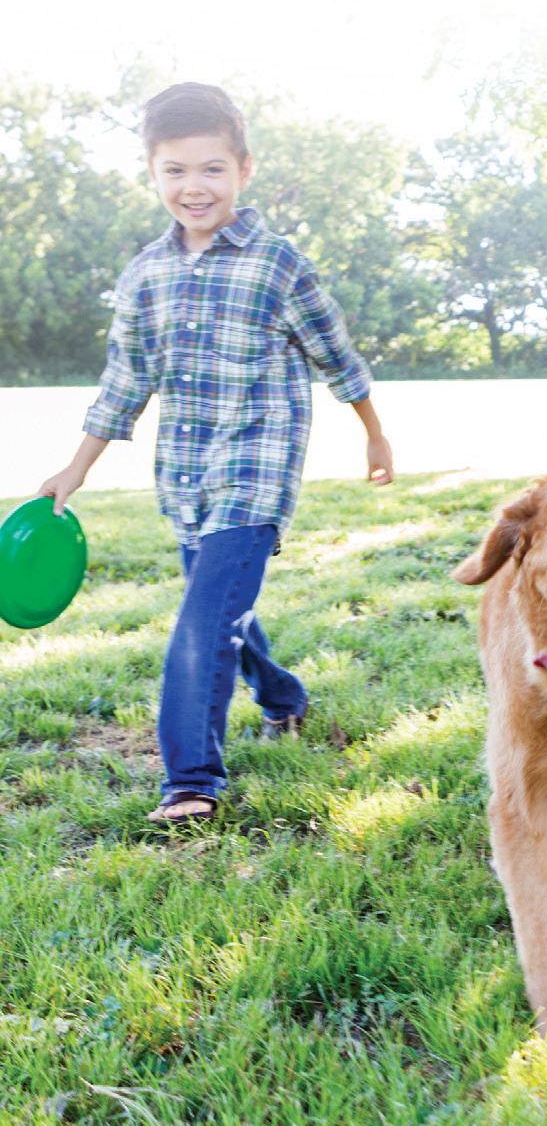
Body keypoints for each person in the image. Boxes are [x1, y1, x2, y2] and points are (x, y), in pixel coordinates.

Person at [36, 83, 395, 824]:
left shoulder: (278, 265)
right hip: (186, 476)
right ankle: (283, 696)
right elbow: (125, 381)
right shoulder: (145, 274)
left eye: (211, 169)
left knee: (202, 621)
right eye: (175, 170)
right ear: (152, 172)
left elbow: (337, 356)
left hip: (257, 472)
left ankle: (191, 781)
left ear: (244, 169)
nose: (193, 187)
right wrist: (76, 468)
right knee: (223, 604)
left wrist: (373, 432)